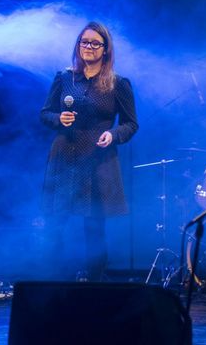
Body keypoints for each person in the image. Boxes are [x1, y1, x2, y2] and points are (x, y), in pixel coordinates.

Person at [40, 21, 138, 281]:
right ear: (78, 45)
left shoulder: (118, 84)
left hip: (97, 158)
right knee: (55, 223)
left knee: (94, 225)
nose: (89, 47)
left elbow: (131, 124)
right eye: (85, 42)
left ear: (106, 49)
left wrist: (113, 134)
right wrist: (58, 119)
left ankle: (95, 282)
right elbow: (45, 113)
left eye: (96, 43)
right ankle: (54, 281)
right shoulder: (64, 78)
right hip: (64, 156)